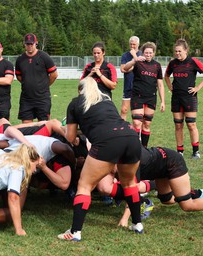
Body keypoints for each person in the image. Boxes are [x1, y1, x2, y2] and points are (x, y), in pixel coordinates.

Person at [58, 77, 142, 242]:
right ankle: (137, 224)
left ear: (79, 90)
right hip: (131, 137)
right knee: (129, 183)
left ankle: (75, 232)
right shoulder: (106, 100)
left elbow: (71, 137)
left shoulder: (75, 103)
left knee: (84, 185)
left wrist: (62, 129)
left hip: (107, 142)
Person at [164, 39, 203, 158]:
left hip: (189, 98)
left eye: (180, 51)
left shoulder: (193, 61)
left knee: (191, 124)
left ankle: (195, 151)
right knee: (178, 125)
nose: (177, 53)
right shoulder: (173, 63)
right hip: (176, 98)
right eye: (175, 51)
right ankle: (179, 151)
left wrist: (197, 88)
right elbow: (166, 75)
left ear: (186, 50)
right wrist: (170, 87)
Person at [123, 42, 165, 147]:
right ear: (143, 52)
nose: (148, 54)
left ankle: (144, 149)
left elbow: (160, 84)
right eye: (146, 52)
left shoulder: (157, 65)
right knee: (137, 123)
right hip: (138, 97)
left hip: (151, 98)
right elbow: (125, 68)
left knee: (147, 124)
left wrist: (163, 101)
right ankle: (135, 148)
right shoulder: (138, 62)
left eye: (150, 53)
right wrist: (134, 60)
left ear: (153, 53)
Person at [15, 33, 58, 123]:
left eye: (31, 44)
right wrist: (28, 83)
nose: (29, 46)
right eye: (27, 44)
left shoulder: (44, 56)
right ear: (24, 44)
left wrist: (44, 85)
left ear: (36, 43)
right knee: (26, 127)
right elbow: (19, 76)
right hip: (26, 98)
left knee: (43, 126)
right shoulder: (20, 59)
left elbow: (54, 75)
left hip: (42, 98)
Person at [120, 36, 141, 120]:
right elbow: (122, 69)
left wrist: (134, 56)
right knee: (124, 110)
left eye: (134, 44)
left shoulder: (142, 54)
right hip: (128, 86)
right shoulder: (125, 55)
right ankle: (123, 130)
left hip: (139, 87)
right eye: (131, 44)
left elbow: (141, 68)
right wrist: (131, 67)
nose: (132, 46)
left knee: (137, 113)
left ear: (138, 44)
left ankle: (137, 131)